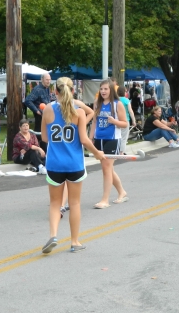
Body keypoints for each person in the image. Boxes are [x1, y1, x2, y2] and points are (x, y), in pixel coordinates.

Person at [40, 77, 105, 254]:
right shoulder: (79, 113)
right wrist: (97, 153)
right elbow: (84, 139)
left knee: (55, 203)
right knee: (75, 203)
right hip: (74, 163)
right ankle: (74, 241)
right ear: (73, 91)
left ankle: (53, 235)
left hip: (54, 164)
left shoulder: (47, 110)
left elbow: (45, 138)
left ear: (55, 91)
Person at [90, 79, 129, 209]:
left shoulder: (117, 104)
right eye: (101, 89)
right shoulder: (97, 103)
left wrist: (114, 121)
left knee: (106, 169)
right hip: (99, 139)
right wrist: (90, 138)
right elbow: (94, 122)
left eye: (106, 89)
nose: (103, 91)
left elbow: (125, 123)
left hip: (112, 139)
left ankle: (105, 200)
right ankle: (122, 192)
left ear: (111, 90)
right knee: (108, 169)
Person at [117, 86, 136, 154]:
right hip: (125, 120)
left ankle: (116, 149)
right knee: (124, 137)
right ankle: (121, 152)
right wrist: (133, 120)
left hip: (116, 121)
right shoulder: (126, 100)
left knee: (117, 136)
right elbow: (130, 111)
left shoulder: (115, 100)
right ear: (124, 92)